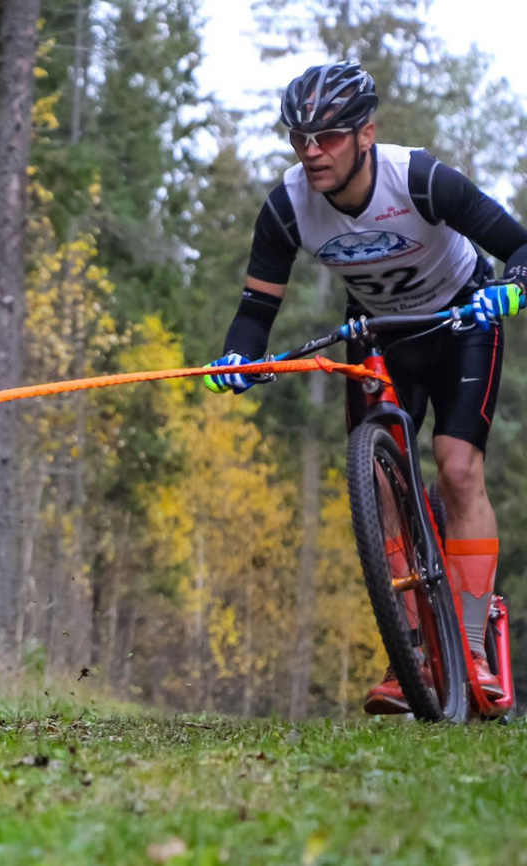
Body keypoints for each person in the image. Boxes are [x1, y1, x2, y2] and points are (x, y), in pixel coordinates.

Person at [204, 60, 527, 714]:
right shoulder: (287, 206)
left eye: (328, 137)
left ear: (367, 133)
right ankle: (406, 653)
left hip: (462, 319)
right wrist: (238, 358)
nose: (311, 152)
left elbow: (520, 247)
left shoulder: (421, 180)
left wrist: (510, 294)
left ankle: (470, 646)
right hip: (380, 335)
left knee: (457, 468)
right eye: (300, 138)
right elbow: (254, 311)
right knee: (378, 482)